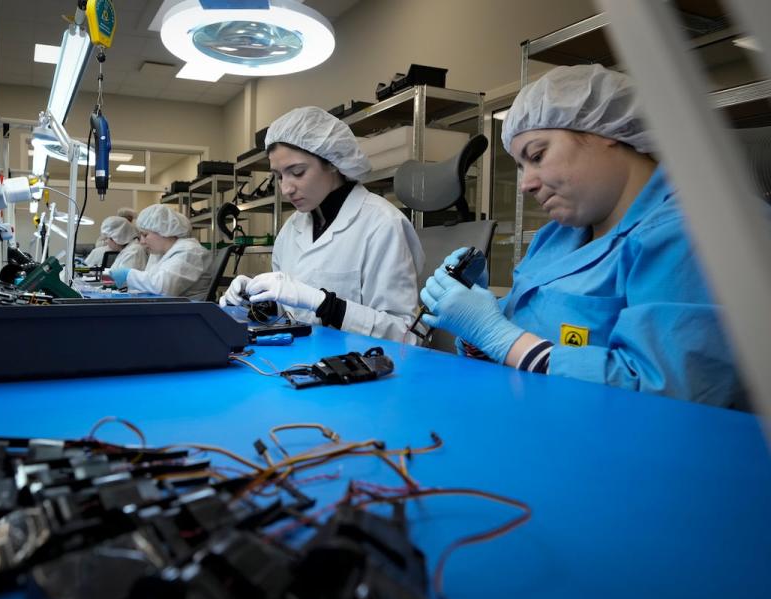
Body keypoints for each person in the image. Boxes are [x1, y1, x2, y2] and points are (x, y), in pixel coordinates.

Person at [420, 64, 745, 407]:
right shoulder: (556, 236)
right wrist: (478, 322)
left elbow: (667, 397)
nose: (526, 184)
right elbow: (517, 336)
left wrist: (498, 335)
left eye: (537, 156)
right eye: (520, 166)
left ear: (607, 131)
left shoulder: (701, 231)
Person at [219, 106, 424, 342]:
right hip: (301, 362)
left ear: (333, 161)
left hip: (361, 368)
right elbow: (289, 313)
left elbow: (405, 335)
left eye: (297, 172)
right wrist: (259, 301)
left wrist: (327, 305)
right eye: (279, 176)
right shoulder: (291, 228)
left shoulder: (382, 223)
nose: (286, 189)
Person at [109, 204, 211, 300]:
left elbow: (163, 287)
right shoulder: (160, 254)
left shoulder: (190, 252)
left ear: (163, 231)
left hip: (189, 313)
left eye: (145, 235)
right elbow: (149, 286)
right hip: (171, 309)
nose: (142, 242)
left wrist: (128, 275)